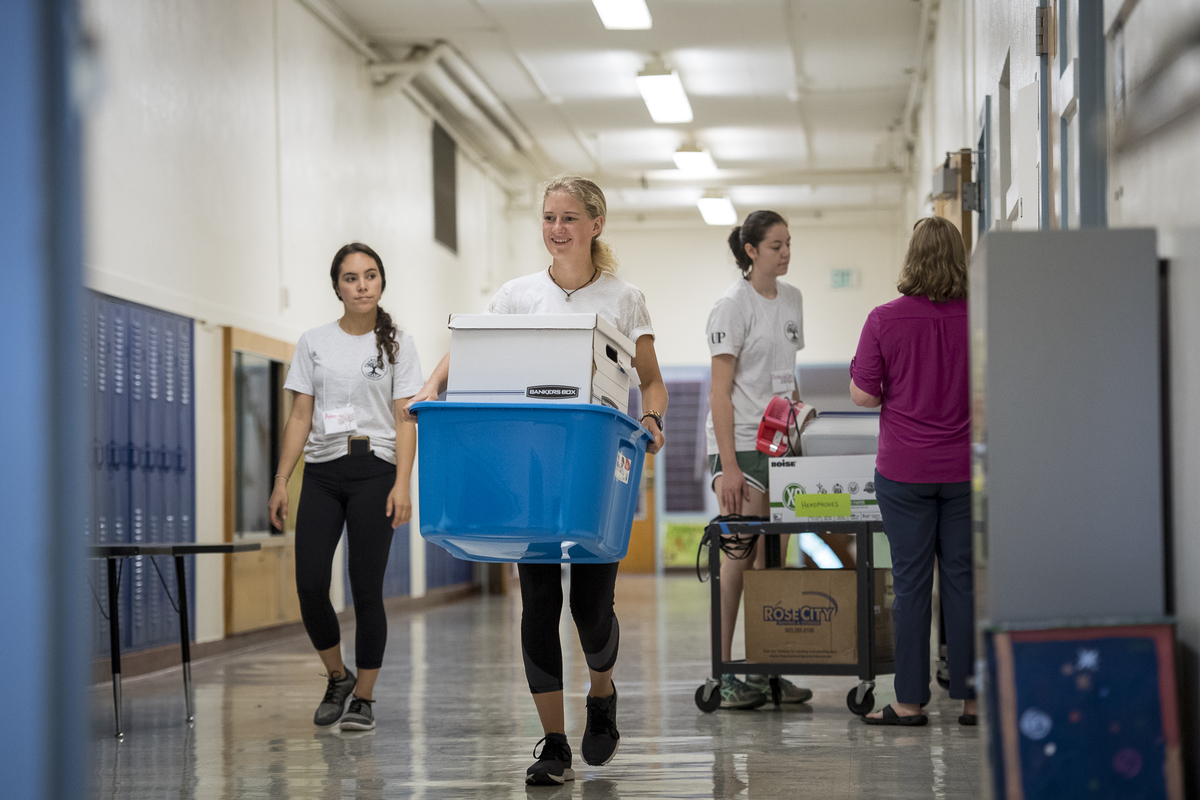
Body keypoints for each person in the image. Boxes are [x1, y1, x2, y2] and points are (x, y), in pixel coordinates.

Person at [407, 176, 668, 786]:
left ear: (595, 224)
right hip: (530, 474)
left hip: (595, 470)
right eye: (549, 217)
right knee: (538, 605)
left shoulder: (624, 299)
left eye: (570, 218)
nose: (557, 229)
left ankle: (601, 693)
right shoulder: (518, 295)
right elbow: (469, 343)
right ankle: (553, 742)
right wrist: (433, 385)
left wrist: (651, 417)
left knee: (591, 611)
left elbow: (650, 379)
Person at [268, 243, 423, 732]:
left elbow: (405, 420)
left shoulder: (398, 342)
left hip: (375, 471)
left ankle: (365, 698)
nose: (362, 285)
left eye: (370, 275)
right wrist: (280, 481)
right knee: (310, 583)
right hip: (322, 472)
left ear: (381, 282)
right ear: (337, 286)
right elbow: (300, 415)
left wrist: (403, 483)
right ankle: (337, 676)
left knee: (366, 588)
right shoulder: (313, 342)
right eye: (351, 278)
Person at [849, 216, 975, 727]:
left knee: (911, 585)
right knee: (965, 583)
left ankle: (909, 702)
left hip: (904, 472)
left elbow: (863, 395)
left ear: (911, 258)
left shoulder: (884, 319)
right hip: (969, 471)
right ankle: (972, 699)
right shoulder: (983, 316)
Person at [705, 210, 813, 710]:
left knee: (777, 556)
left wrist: (799, 427)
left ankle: (770, 671)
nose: (786, 252)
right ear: (750, 251)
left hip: (781, 442)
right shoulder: (731, 304)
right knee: (740, 553)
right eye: (776, 245)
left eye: (789, 243)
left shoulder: (792, 299)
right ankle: (724, 672)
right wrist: (728, 466)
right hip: (740, 442)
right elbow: (720, 392)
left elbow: (788, 378)